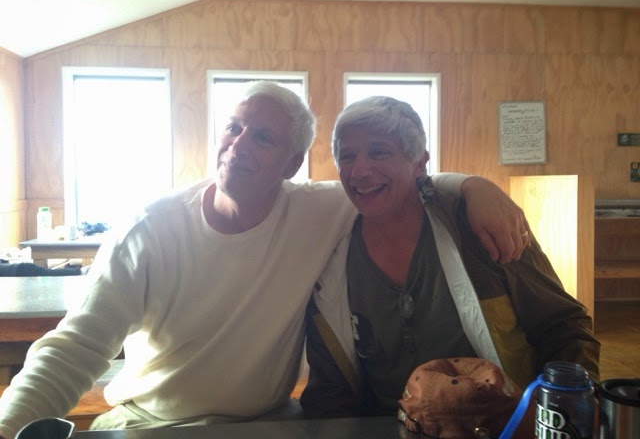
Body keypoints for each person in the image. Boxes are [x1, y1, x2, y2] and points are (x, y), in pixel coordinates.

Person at [0, 82, 530, 438]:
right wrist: (8, 426)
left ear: (292, 163)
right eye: (233, 127)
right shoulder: (150, 229)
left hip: (268, 424)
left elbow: (402, 182)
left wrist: (474, 186)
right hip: (151, 424)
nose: (239, 145)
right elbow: (74, 348)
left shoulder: (317, 210)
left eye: (263, 137)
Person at [300, 96, 600, 418]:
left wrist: (562, 414)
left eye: (379, 152)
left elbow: (562, 326)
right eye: (347, 156)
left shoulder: (478, 227)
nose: (359, 171)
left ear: (419, 163)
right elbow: (329, 386)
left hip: (500, 425)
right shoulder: (330, 251)